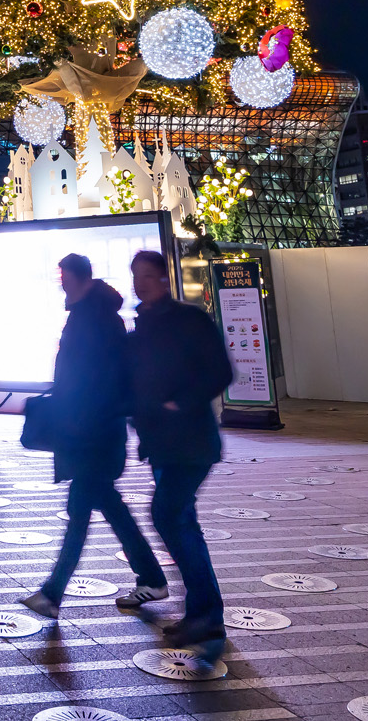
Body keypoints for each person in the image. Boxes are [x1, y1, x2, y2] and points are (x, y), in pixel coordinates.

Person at [20, 254, 166, 620]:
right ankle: (151, 577)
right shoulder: (94, 316)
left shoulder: (95, 319)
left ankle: (53, 593)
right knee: (108, 508)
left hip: (94, 436)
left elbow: (98, 383)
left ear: (81, 280)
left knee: (80, 514)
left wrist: (73, 415)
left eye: (65, 280)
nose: (62, 287)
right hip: (93, 433)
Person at [125, 248, 235, 658]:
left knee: (168, 514)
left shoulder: (189, 320)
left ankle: (206, 612)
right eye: (135, 276)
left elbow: (221, 372)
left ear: (163, 279)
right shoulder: (143, 327)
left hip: (191, 441)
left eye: (147, 276)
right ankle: (205, 613)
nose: (140, 283)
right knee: (181, 519)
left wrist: (179, 404)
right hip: (163, 445)